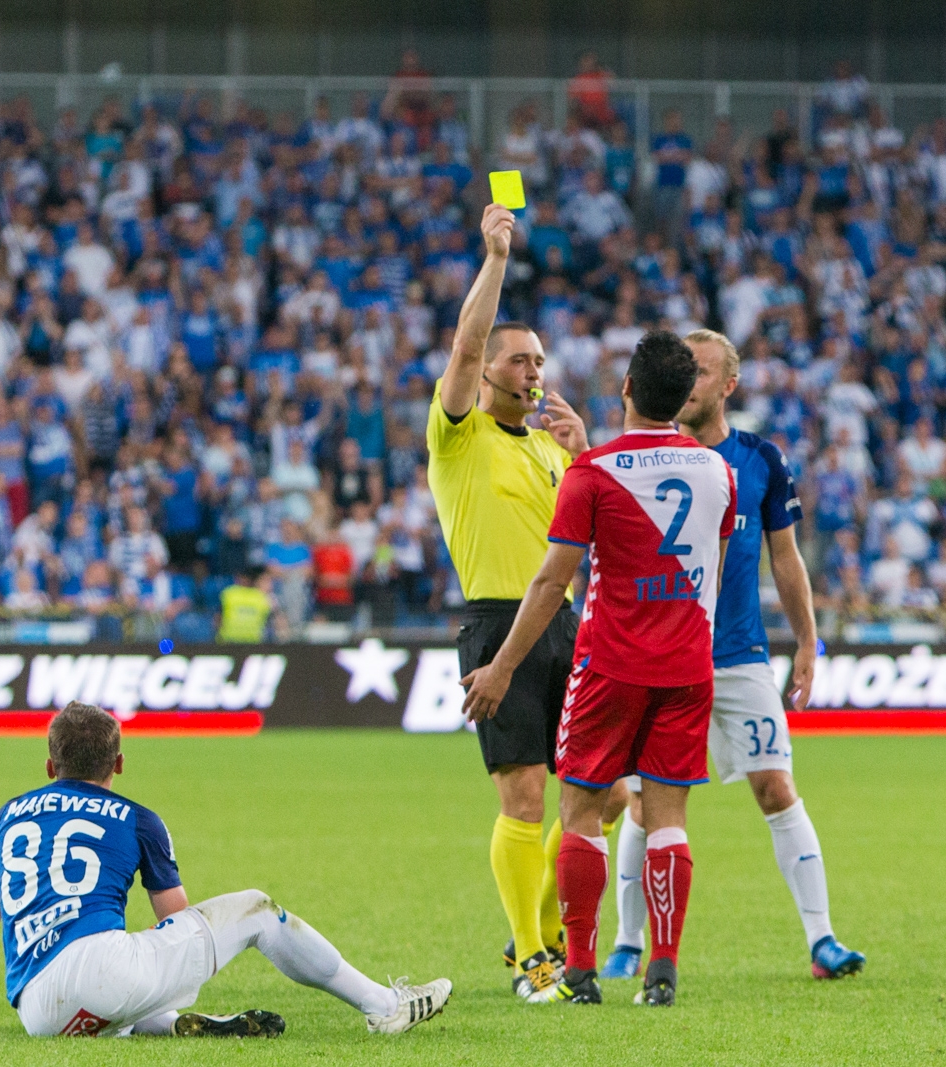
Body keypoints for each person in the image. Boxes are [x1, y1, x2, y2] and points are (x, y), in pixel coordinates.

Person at [462, 330, 735, 1008]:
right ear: (683, 397)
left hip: (610, 661)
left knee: (581, 809)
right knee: (666, 815)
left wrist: (500, 665)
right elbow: (716, 572)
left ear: (627, 391)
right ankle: (663, 968)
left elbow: (552, 581)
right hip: (687, 662)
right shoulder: (717, 472)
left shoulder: (593, 472)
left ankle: (579, 966)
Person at [599, 328, 865, 981]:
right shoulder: (644, 460)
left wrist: (806, 639)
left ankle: (822, 939)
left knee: (776, 787)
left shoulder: (760, 460)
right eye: (684, 372)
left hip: (738, 653)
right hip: (660, 655)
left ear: (729, 385)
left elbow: (785, 556)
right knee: (642, 800)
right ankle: (628, 943)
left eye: (705, 371)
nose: (690, 382)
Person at [0, 702, 451, 1038]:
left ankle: (190, 1025)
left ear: (50, 766)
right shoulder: (139, 819)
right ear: (118, 763)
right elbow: (176, 918)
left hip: (37, 1011)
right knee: (255, 908)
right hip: (101, 972)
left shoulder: (6, 815)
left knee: (125, 985)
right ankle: (386, 1006)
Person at [428, 202, 592, 1000]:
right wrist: (494, 259)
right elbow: (463, 342)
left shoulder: (557, 454)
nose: (535, 372)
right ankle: (535, 959)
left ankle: (540, 924)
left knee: (611, 790)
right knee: (525, 793)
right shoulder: (459, 435)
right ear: (487, 370)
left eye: (539, 361)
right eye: (520, 360)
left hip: (564, 623)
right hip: (497, 621)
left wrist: (586, 457)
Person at [218, 564, 279, 643]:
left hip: (253, 641)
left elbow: (275, 618)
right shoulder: (229, 594)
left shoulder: (261, 596)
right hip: (230, 640)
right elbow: (218, 616)